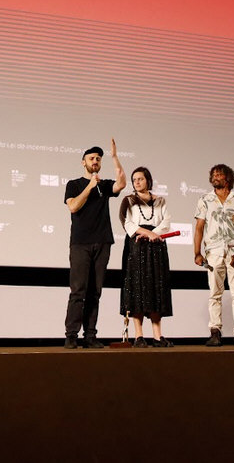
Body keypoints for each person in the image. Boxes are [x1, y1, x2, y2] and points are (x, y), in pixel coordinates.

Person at [62, 139, 125, 349]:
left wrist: (115, 157)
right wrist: (90, 186)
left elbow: (122, 184)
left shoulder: (105, 184)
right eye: (91, 158)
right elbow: (73, 207)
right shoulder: (74, 184)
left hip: (102, 242)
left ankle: (90, 335)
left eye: (98, 158)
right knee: (78, 290)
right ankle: (71, 335)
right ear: (83, 163)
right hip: (80, 243)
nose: (95, 161)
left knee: (95, 292)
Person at [193, 164, 234, 347]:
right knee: (215, 294)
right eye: (213, 174)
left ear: (227, 178)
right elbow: (199, 227)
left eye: (219, 174)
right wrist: (197, 253)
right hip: (213, 252)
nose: (215, 177)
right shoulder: (205, 199)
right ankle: (215, 332)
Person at [118, 167, 173, 347]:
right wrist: (145, 233)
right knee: (137, 289)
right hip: (136, 247)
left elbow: (166, 222)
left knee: (156, 289)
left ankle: (157, 337)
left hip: (156, 247)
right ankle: (139, 336)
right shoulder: (129, 200)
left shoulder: (160, 201)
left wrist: (153, 234)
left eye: (140, 179)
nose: (137, 182)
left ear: (148, 180)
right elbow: (126, 222)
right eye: (134, 180)